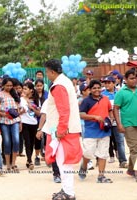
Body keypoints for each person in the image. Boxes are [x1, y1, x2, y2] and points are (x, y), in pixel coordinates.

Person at [43, 59, 82, 200]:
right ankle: (66, 189)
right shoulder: (65, 81)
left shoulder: (59, 85)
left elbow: (64, 110)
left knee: (64, 162)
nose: (47, 75)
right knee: (64, 162)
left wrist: (61, 130)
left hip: (63, 131)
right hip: (66, 129)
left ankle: (69, 193)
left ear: (52, 72)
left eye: (47, 72)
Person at [79, 80, 114, 184]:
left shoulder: (106, 99)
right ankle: (83, 167)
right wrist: (95, 117)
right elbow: (81, 114)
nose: (97, 90)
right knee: (88, 153)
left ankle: (101, 176)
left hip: (104, 130)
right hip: (91, 131)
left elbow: (110, 110)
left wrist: (111, 118)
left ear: (101, 88)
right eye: (94, 88)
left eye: (98, 87)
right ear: (90, 89)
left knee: (103, 154)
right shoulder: (86, 101)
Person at [113, 69, 137, 180]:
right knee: (134, 148)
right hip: (128, 124)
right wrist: (119, 124)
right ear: (126, 79)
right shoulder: (121, 93)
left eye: (136, 78)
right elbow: (116, 109)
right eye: (132, 78)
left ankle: (131, 169)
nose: (134, 80)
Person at [102, 76, 128, 168]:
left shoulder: (119, 93)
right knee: (105, 142)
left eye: (109, 82)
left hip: (118, 122)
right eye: (105, 83)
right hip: (106, 122)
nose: (107, 84)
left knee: (120, 142)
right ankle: (101, 160)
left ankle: (123, 161)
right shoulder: (102, 95)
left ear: (114, 83)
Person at [0, 77, 21, 172]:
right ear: (3, 85)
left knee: (16, 140)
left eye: (11, 85)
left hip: (15, 120)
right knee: (6, 141)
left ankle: (14, 163)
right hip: (4, 121)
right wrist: (4, 115)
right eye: (7, 85)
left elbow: (18, 109)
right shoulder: (0, 95)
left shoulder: (14, 94)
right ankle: (8, 164)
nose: (9, 87)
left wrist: (20, 122)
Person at [19, 82, 40, 170]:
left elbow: (39, 114)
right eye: (23, 88)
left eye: (26, 89)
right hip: (24, 122)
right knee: (27, 141)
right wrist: (21, 112)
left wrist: (32, 108)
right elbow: (18, 112)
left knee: (32, 142)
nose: (24, 90)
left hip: (34, 123)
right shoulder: (21, 100)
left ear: (31, 90)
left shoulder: (36, 100)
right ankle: (30, 160)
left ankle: (28, 160)